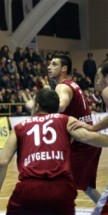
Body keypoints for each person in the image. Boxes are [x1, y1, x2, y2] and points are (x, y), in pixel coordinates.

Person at [0, 89, 108, 215]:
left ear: (37, 106)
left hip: (29, 189)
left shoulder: (20, 127)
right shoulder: (66, 120)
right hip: (61, 191)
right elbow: (89, 138)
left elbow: (2, 163)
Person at [47, 53, 102, 203]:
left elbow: (61, 105)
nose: (49, 67)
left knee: (60, 181)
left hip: (83, 143)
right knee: (87, 187)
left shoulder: (62, 86)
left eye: (54, 64)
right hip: (89, 142)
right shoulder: (73, 84)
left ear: (64, 68)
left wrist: (43, 106)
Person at [70, 62, 108, 215]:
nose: (96, 80)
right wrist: (93, 128)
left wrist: (91, 130)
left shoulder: (106, 91)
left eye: (98, 76)